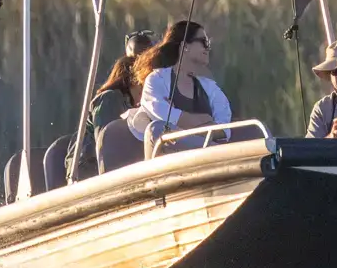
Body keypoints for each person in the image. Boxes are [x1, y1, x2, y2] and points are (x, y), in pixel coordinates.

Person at [132, 19, 233, 147]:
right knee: (156, 128)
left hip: (207, 157)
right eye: (204, 42)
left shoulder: (210, 88)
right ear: (185, 46)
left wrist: (182, 124)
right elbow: (162, 120)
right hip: (169, 157)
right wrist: (206, 120)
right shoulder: (156, 80)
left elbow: (224, 129)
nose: (208, 48)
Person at [65, 50, 144, 181]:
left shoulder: (135, 106)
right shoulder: (108, 100)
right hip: (89, 169)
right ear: (134, 79)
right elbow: (105, 143)